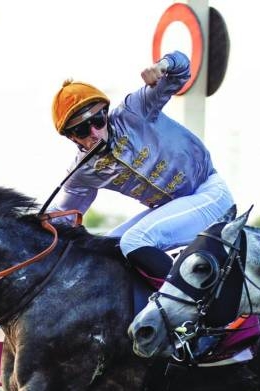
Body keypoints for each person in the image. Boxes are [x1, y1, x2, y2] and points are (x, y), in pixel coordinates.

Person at [48, 50, 234, 287]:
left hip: (210, 194)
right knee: (104, 251)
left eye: (97, 121)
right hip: (172, 209)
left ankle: (193, 303)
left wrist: (163, 65)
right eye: (83, 130)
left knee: (134, 240)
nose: (94, 133)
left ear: (106, 113)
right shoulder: (83, 172)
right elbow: (62, 216)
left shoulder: (134, 110)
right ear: (72, 138)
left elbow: (181, 70)